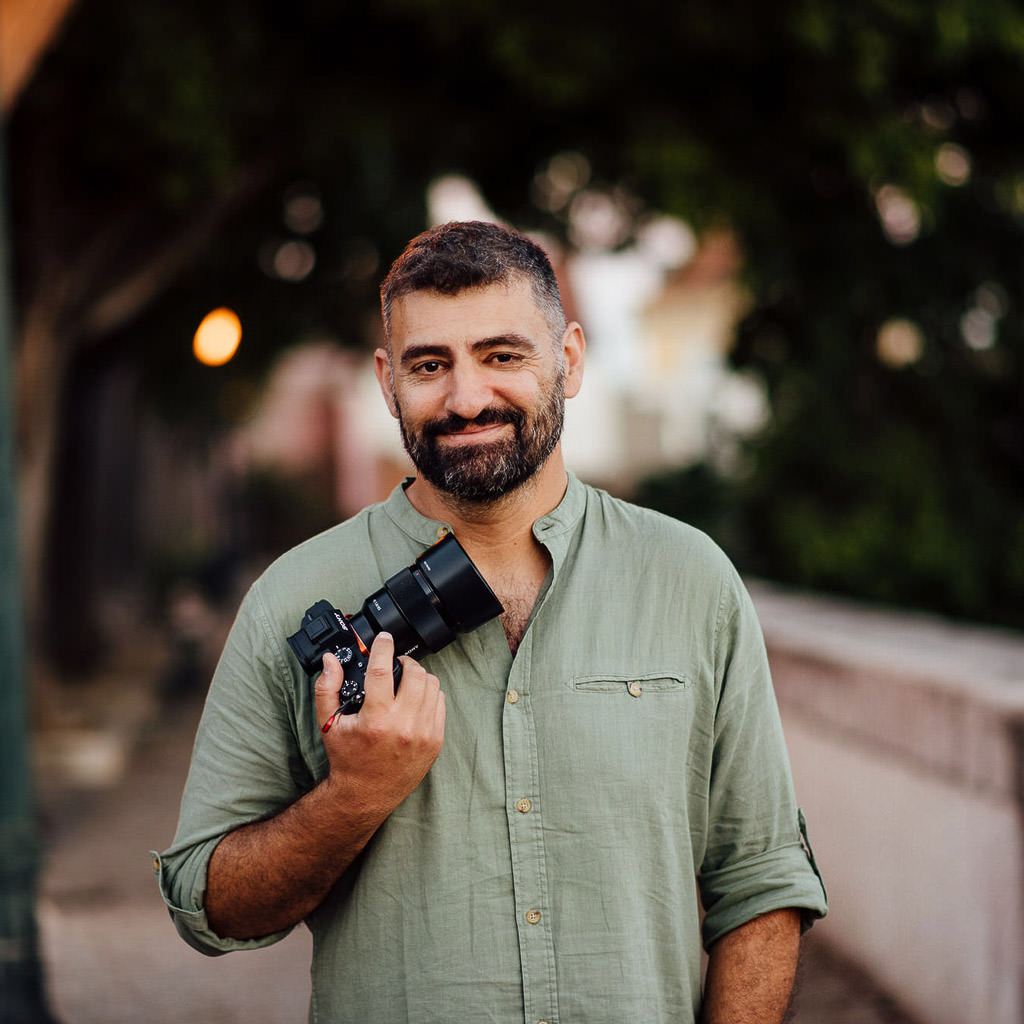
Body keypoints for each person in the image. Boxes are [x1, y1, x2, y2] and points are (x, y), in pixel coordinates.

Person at [155, 220, 827, 1023]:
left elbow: (760, 880)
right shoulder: (292, 596)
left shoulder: (691, 581)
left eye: (502, 355)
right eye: (430, 365)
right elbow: (207, 901)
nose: (466, 398)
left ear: (569, 360)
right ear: (386, 381)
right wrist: (353, 798)